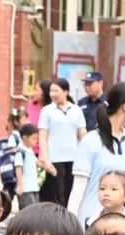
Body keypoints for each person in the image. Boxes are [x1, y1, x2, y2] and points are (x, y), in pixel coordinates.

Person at [68, 82, 125, 225]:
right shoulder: (91, 141)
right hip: (91, 223)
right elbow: (78, 188)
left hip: (122, 225)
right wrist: (70, 225)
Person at [38, 78, 86, 206]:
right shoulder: (47, 111)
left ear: (66, 92)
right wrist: (44, 158)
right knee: (56, 195)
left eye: (56, 91)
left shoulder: (76, 110)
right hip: (54, 159)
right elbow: (42, 136)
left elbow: (83, 135)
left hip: (73, 158)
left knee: (71, 193)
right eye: (51, 91)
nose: (52, 94)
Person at [14, 123, 41, 210]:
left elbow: (38, 163)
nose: (35, 141)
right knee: (28, 211)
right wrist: (19, 185)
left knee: (35, 211)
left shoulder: (30, 150)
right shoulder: (20, 151)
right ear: (25, 138)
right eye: (33, 138)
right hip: (25, 189)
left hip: (33, 187)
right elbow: (18, 168)